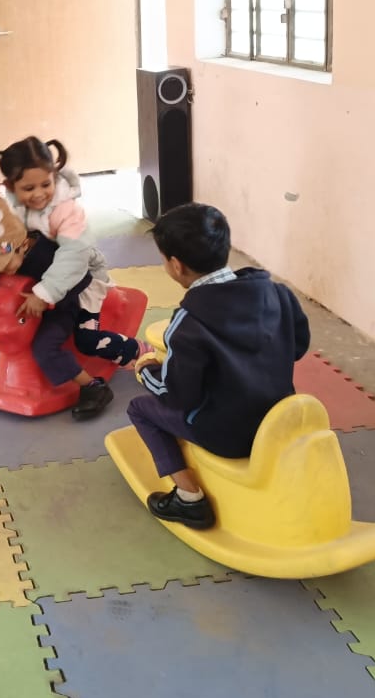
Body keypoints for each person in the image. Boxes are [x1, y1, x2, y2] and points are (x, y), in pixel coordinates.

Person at [128, 203, 310, 530]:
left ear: (176, 265)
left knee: (139, 409)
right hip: (280, 421)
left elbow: (178, 397)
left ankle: (188, 498)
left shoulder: (188, 322)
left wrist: (146, 370)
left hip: (228, 435)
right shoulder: (278, 294)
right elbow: (298, 347)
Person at [0, 137, 140, 419]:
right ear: (9, 186)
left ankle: (95, 385)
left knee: (60, 344)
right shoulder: (0, 211)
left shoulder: (67, 211)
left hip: (70, 287)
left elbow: (74, 256)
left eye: (45, 184)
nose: (39, 194)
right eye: (28, 188)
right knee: (0, 319)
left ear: (54, 175)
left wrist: (45, 294)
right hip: (25, 283)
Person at [0, 176, 142, 372]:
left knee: (86, 340)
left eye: (2, 264)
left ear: (23, 246)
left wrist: (47, 300)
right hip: (42, 283)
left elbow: (76, 278)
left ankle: (131, 349)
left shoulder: (48, 252)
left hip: (83, 280)